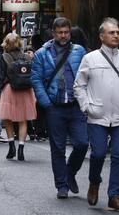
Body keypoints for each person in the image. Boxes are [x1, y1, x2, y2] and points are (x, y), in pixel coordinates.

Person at [74, 17, 119, 212]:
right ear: (101, 36)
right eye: (112, 32)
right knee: (99, 154)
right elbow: (79, 85)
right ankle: (94, 182)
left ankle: (114, 196)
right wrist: (87, 106)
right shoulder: (90, 58)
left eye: (118, 32)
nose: (116, 35)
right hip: (97, 115)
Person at [31, 17, 88, 199]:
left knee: (82, 143)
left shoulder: (79, 51)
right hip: (54, 107)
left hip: (76, 105)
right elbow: (36, 79)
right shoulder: (42, 53)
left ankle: (70, 172)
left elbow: (88, 76)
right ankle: (62, 185)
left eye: (66, 32)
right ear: (53, 33)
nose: (63, 36)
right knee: (58, 148)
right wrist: (46, 103)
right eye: (60, 32)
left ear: (70, 32)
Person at [0, 32, 37, 161]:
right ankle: (21, 149)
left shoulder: (4, 57)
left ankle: (11, 145)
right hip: (26, 91)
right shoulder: (27, 57)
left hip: (9, 89)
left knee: (7, 118)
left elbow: (1, 77)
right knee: (23, 120)